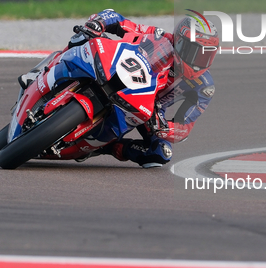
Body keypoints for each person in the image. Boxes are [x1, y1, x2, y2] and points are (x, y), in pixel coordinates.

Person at [22, 9, 219, 168]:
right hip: (122, 73)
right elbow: (117, 19)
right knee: (81, 40)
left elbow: (184, 128)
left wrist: (164, 128)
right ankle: (41, 71)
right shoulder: (159, 37)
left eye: (206, 56)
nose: (198, 62)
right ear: (180, 42)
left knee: (160, 153)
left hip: (150, 112)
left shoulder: (203, 87)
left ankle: (104, 148)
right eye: (195, 52)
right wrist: (97, 23)